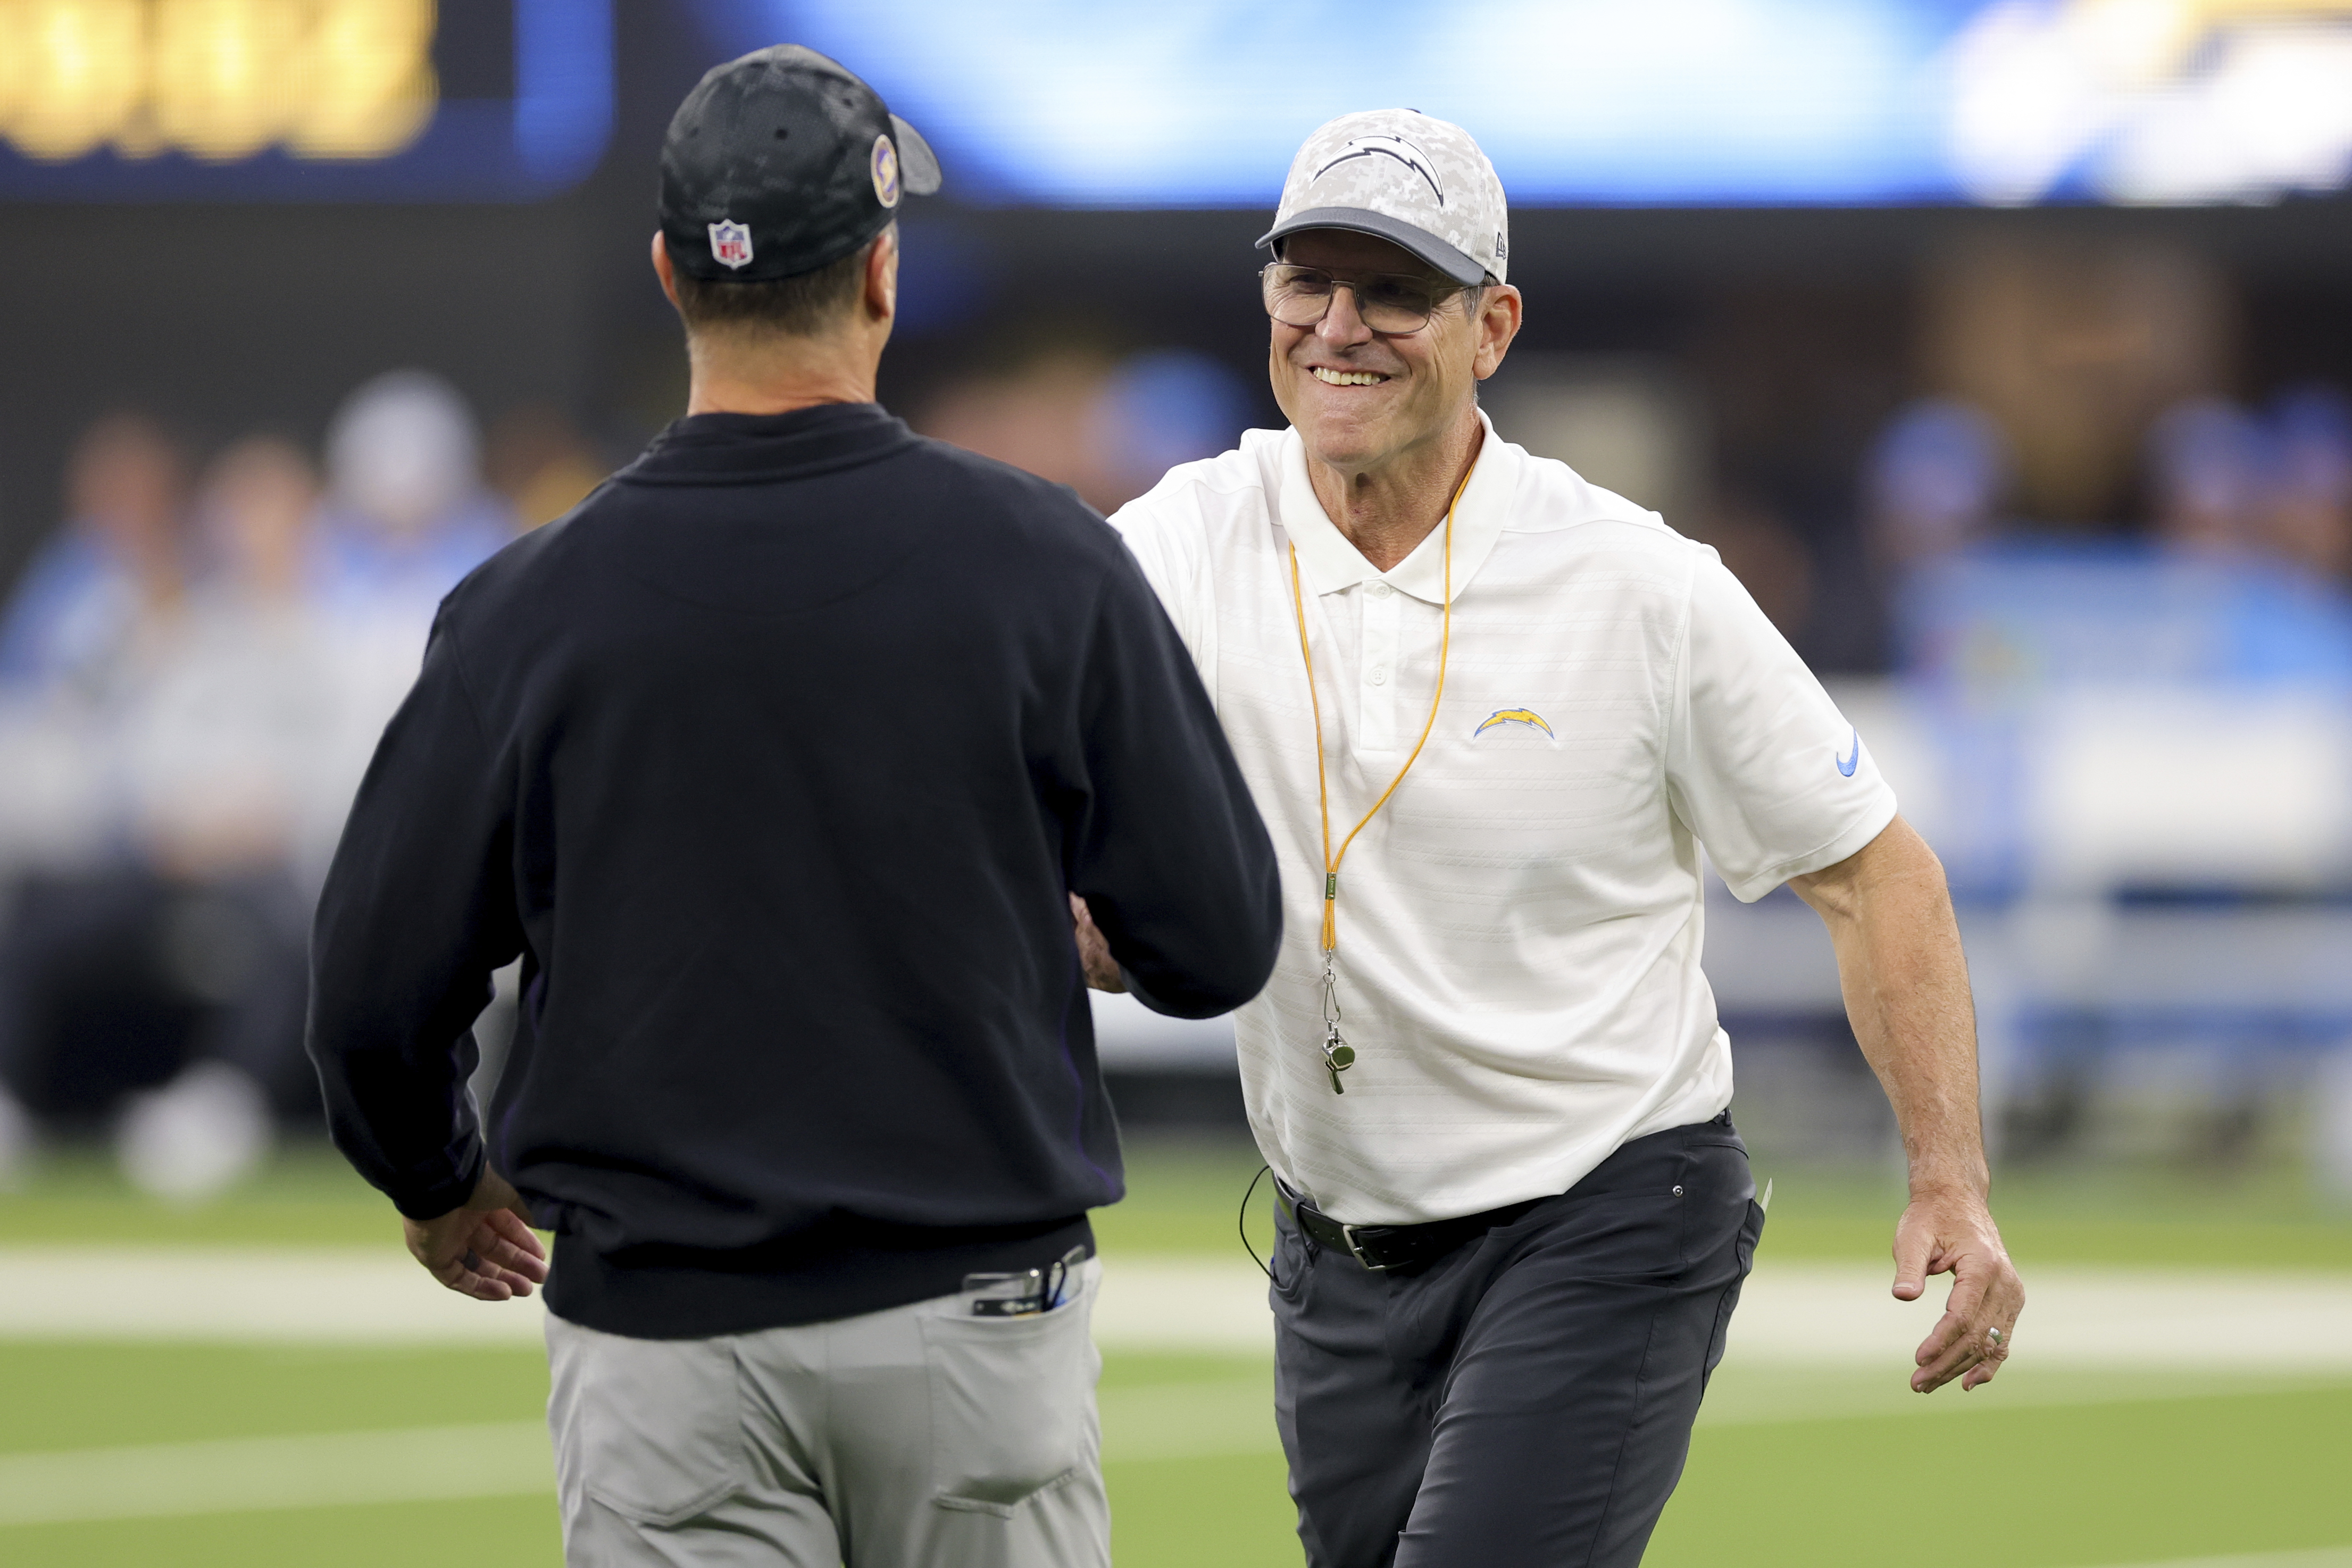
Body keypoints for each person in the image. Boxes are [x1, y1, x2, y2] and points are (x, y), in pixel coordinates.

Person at [306, 45, 1280, 1568]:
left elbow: (369, 996)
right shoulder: (1042, 560)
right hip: (977, 1320)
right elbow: (1221, 936)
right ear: (882, 273)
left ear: (668, 273)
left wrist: (437, 1180)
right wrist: (1091, 931)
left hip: (667, 1338)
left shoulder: (525, 607)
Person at [1104, 109, 2025, 1568]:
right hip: (1333, 1243)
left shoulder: (1636, 582)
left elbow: (1872, 873)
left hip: (1606, 1208)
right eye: (1307, 281)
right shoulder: (1172, 546)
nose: (1341, 326)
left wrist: (1949, 1180)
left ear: (1494, 325)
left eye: (1394, 288)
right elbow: (1043, 828)